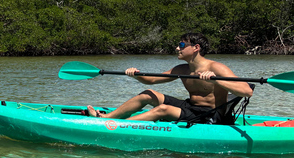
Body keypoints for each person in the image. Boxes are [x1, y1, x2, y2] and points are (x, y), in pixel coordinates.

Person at [86, 32, 253, 124]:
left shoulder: (216, 67)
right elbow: (151, 80)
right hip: (191, 107)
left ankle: (120, 126)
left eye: (181, 45)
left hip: (210, 115)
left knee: (163, 109)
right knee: (147, 93)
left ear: (196, 48)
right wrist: (136, 75)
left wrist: (216, 79)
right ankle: (106, 118)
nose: (177, 48)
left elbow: (246, 91)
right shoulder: (182, 69)